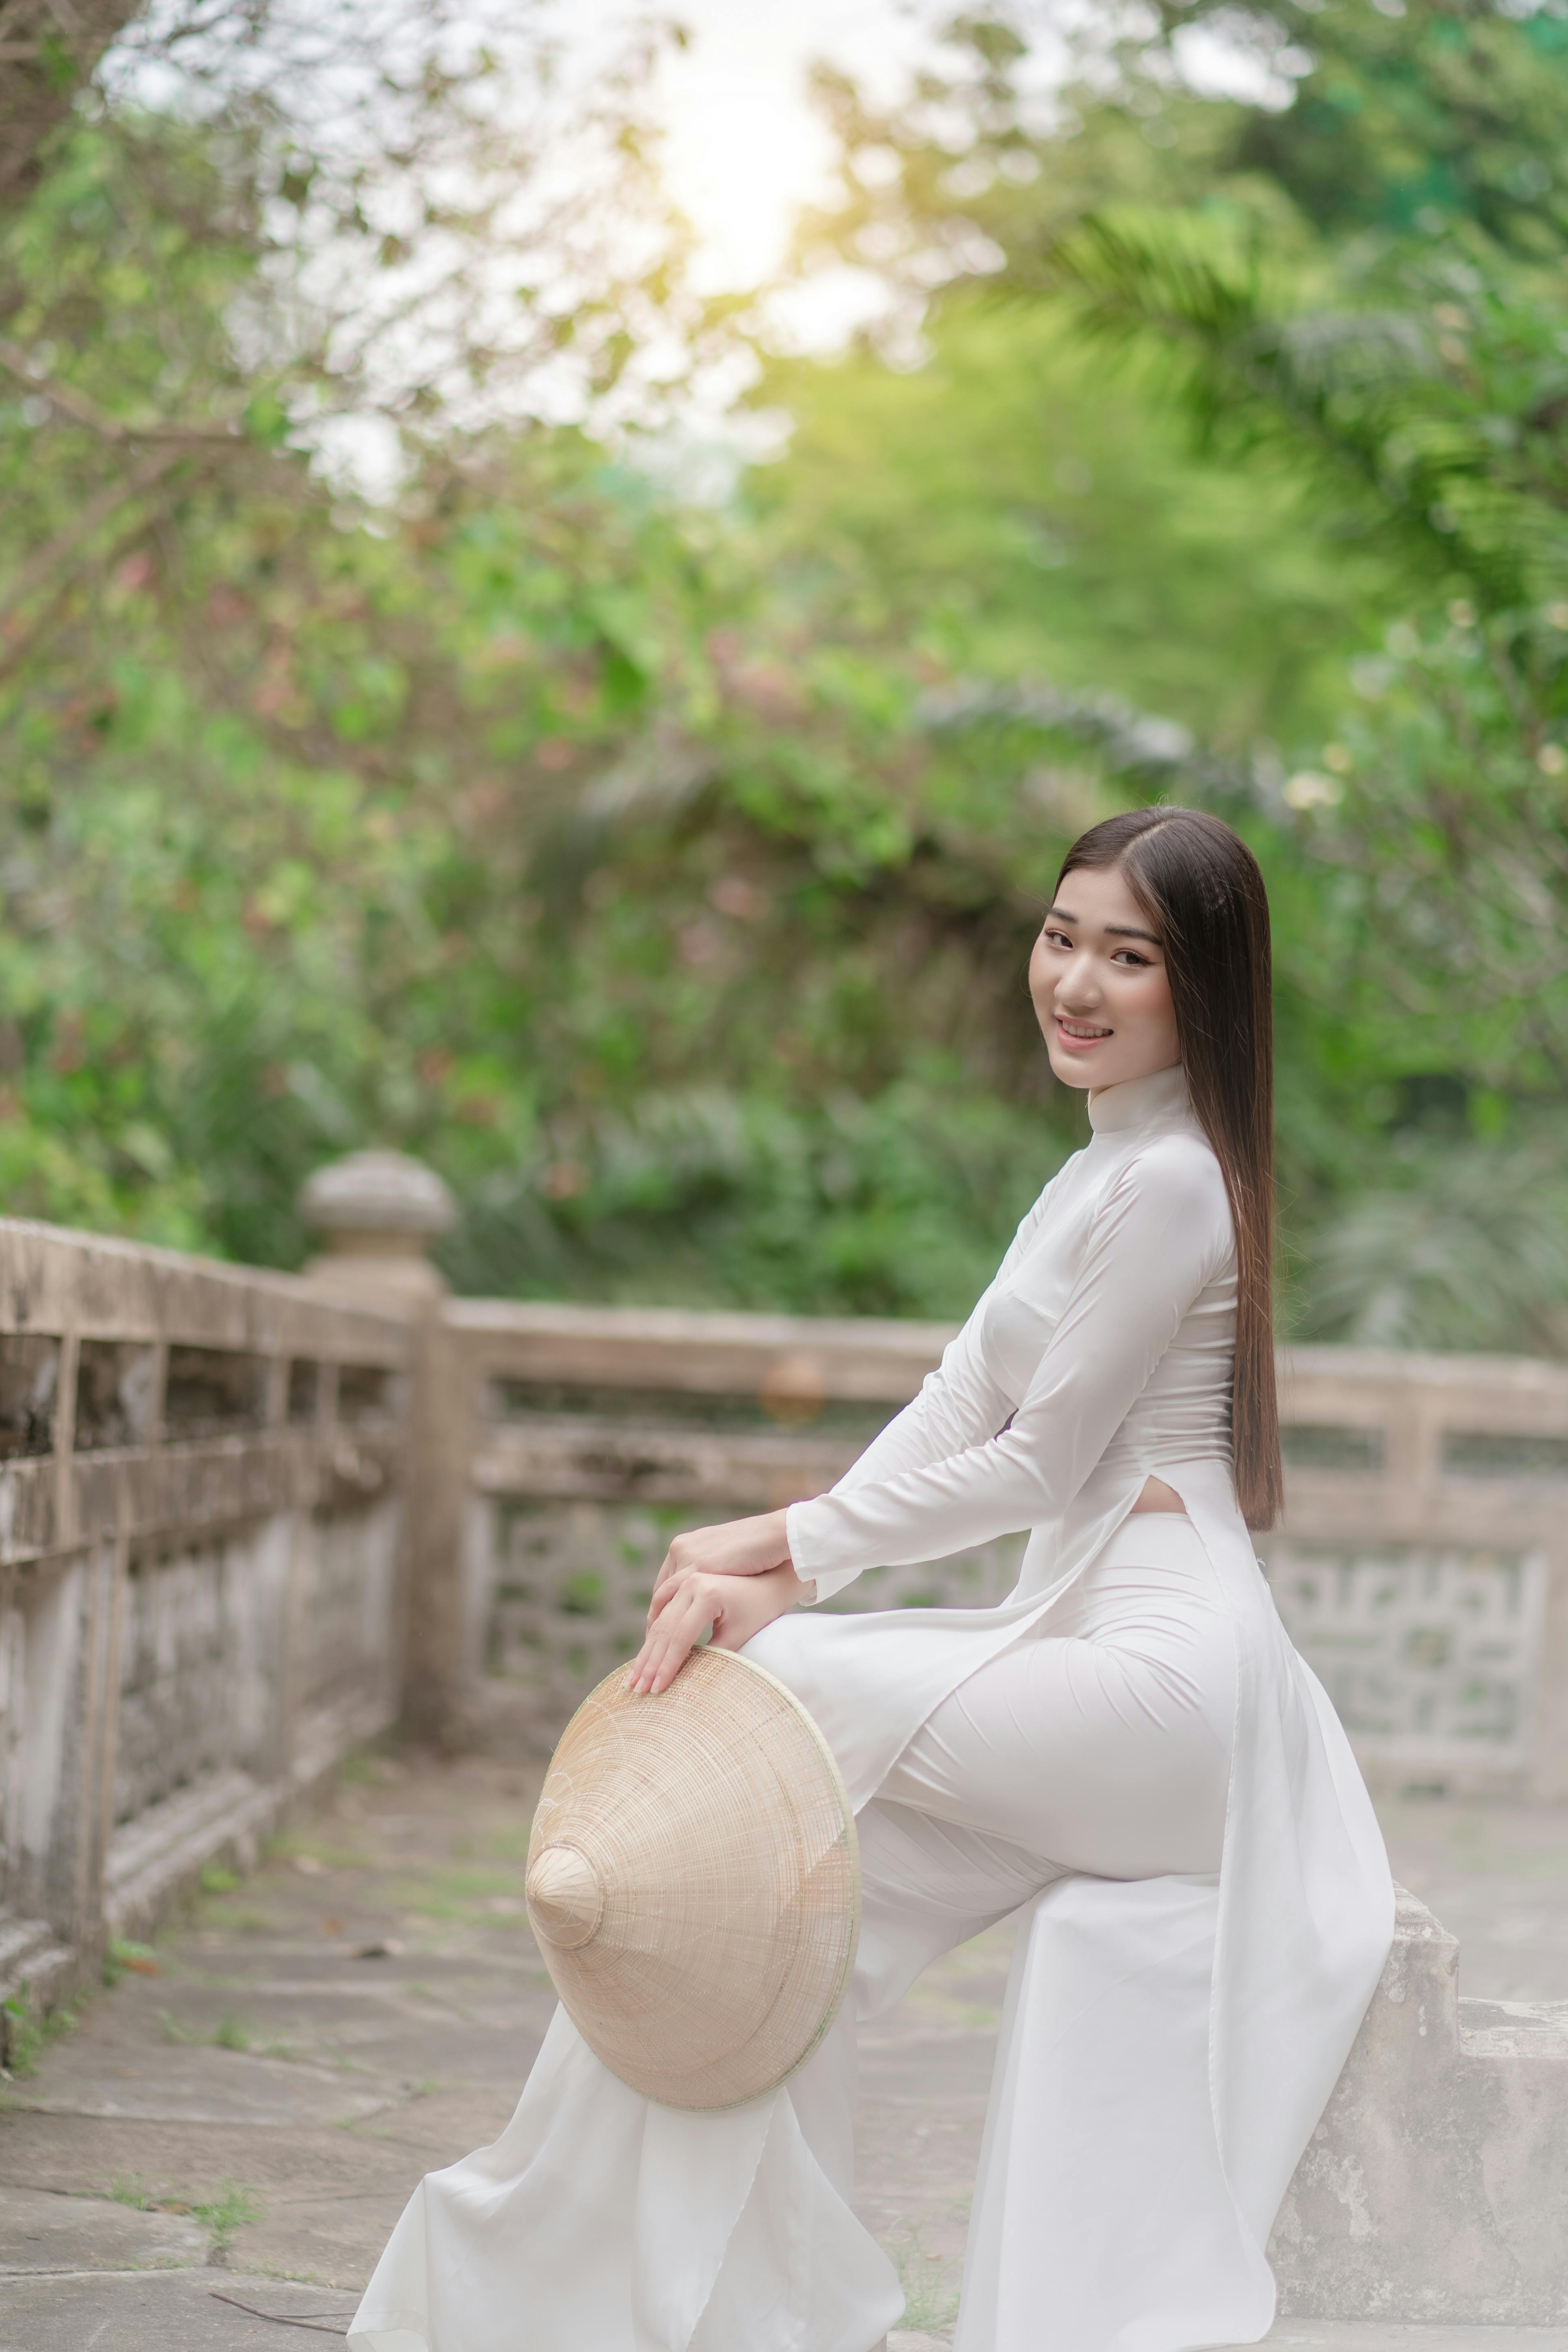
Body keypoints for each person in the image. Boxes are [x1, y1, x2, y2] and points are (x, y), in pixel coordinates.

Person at [349, 804, 1394, 2352]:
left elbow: (1039, 1466)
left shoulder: (1176, 1181)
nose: (1077, 983)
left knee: (780, 1707)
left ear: (1205, 988)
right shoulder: (1092, 1173)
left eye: (1130, 955)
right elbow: (958, 1404)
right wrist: (798, 1565)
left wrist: (783, 1551)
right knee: (758, 1912)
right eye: (1061, 937)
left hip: (1173, 1699)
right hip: (1090, 1680)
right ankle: (631, 2294)